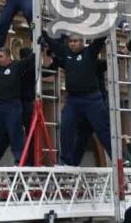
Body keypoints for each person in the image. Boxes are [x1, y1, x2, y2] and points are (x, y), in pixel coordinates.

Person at [42, 33, 112, 166]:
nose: (72, 43)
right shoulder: (66, 53)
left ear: (82, 42)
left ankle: (118, 159)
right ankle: (66, 161)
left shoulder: (89, 52)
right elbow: (53, 44)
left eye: (75, 41)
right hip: (73, 99)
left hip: (92, 99)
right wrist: (42, 35)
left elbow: (99, 40)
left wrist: (105, 24)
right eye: (70, 41)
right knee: (66, 127)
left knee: (103, 131)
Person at [71, 58, 108, 165]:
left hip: (96, 103)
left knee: (105, 134)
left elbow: (108, 62)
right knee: (82, 136)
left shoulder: (94, 63)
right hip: (85, 105)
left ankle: (123, 160)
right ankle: (73, 163)